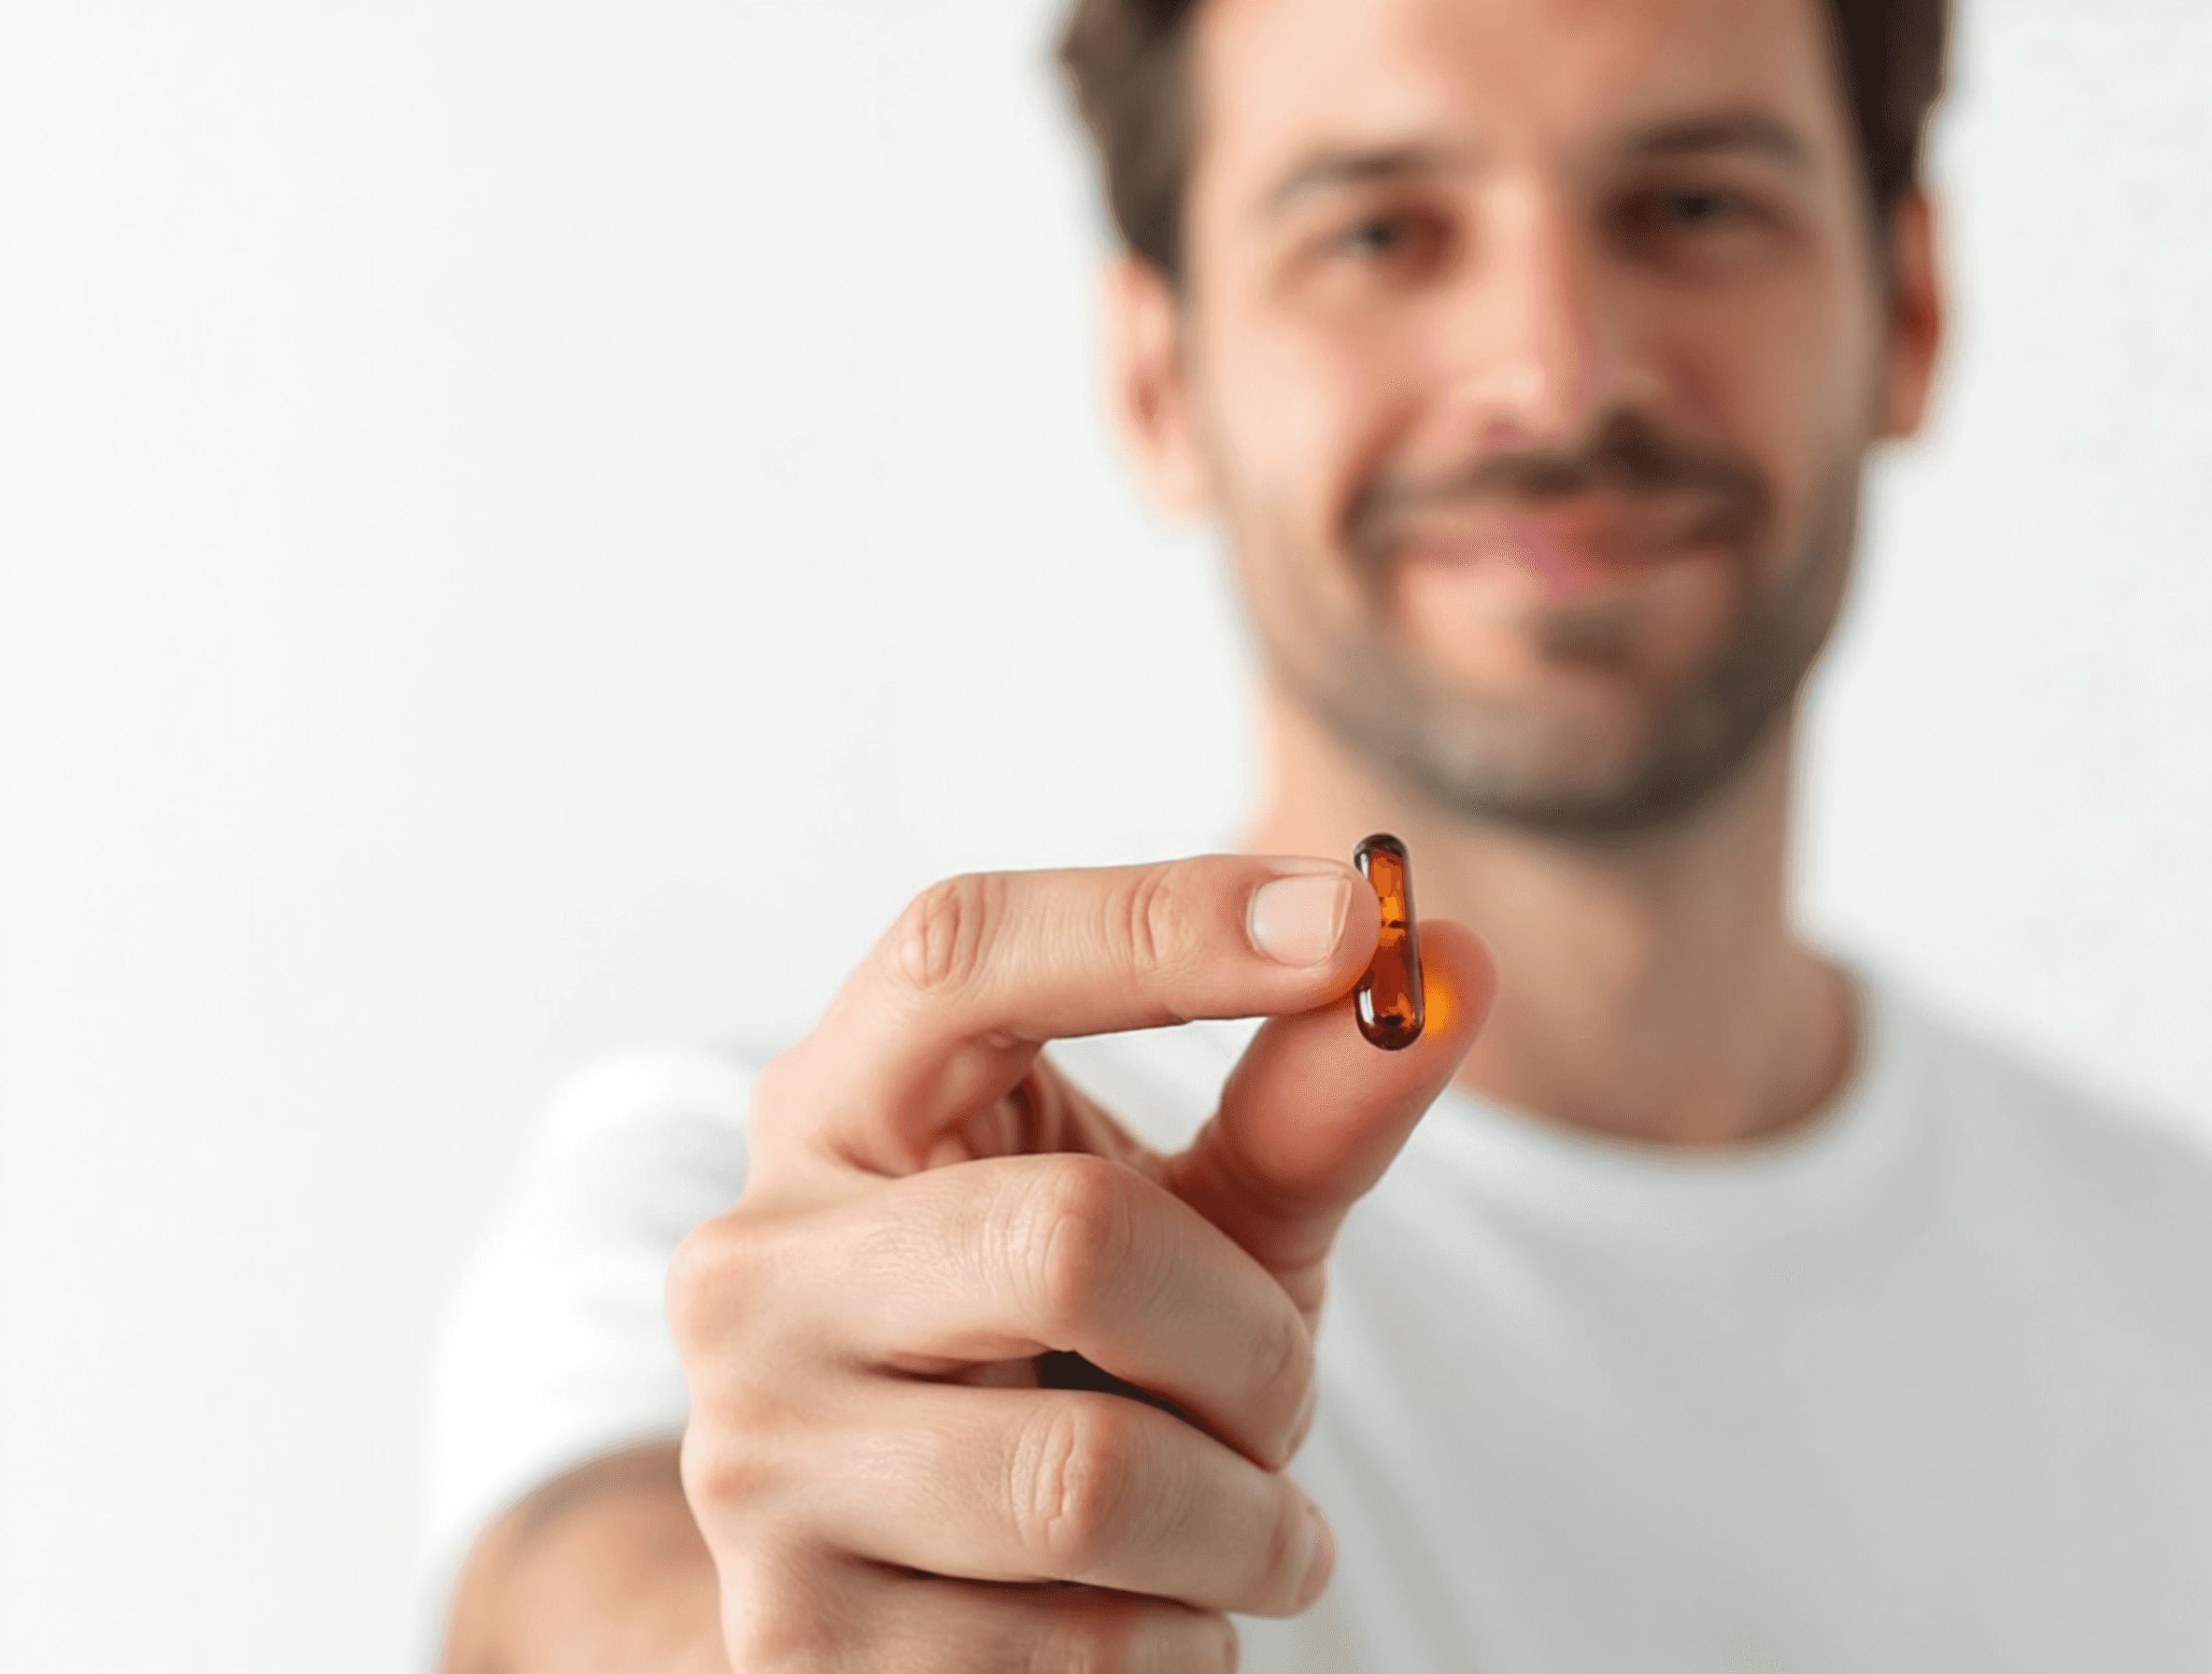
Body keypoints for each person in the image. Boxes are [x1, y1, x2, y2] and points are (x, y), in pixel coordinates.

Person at [421, 0, 2212, 1667]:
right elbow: (599, 1584)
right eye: (1376, 233)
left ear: (1907, 308)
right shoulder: (782, 1223)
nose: (1554, 373)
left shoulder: (2174, 1289)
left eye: (1691, 203)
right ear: (1156, 379)